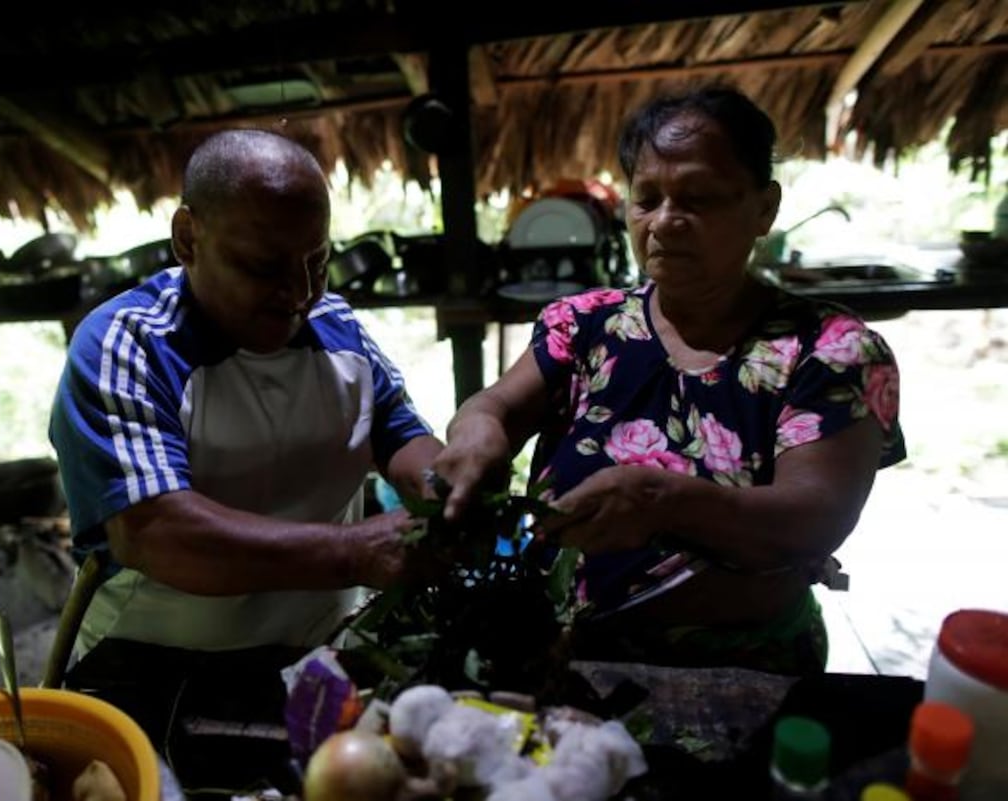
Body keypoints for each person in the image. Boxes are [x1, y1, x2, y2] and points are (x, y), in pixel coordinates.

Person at [432, 86, 905, 675]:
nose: (665, 223)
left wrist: (661, 501)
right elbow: (496, 407)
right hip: (567, 658)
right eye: (646, 198)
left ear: (765, 208)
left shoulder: (830, 350)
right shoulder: (584, 325)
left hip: (744, 669)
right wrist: (476, 427)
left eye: (699, 198)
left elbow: (815, 519)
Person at [47, 128, 443, 787]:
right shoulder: (130, 345)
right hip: (158, 669)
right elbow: (157, 532)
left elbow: (406, 439)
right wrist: (358, 551)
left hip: (314, 657)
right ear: (187, 237)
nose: (297, 292)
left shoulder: (338, 328)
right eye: (264, 266)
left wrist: (450, 490)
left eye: (316, 262)